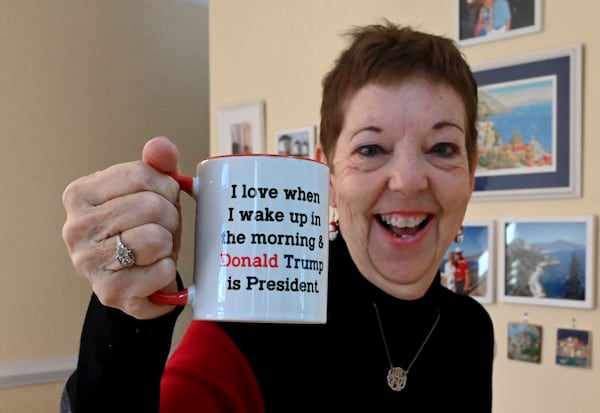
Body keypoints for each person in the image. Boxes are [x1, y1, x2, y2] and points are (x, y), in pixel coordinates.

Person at [60, 20, 495, 412]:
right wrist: (124, 318)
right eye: (370, 149)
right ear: (328, 176)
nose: (408, 180)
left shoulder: (469, 329)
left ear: (471, 172)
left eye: (442, 149)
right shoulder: (259, 321)